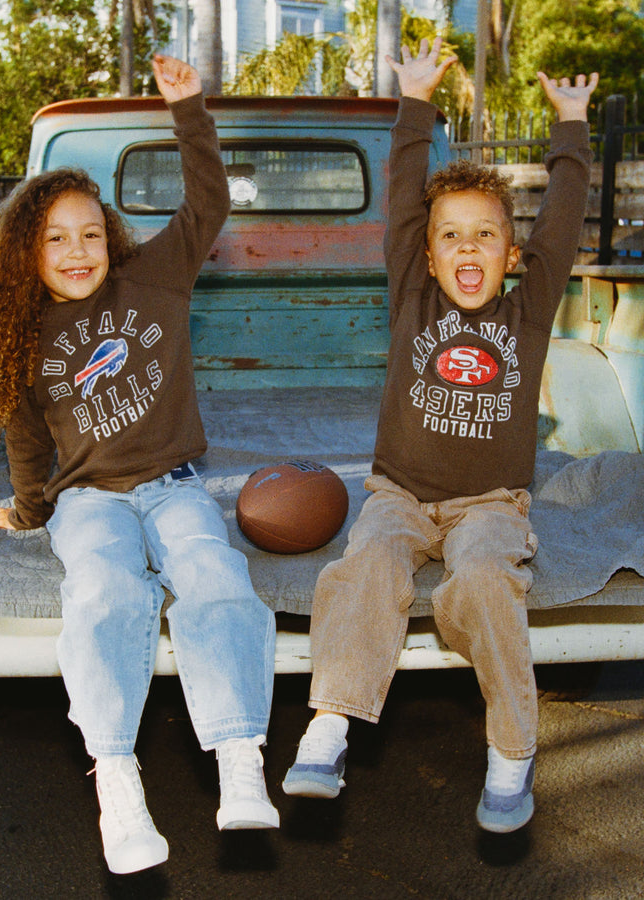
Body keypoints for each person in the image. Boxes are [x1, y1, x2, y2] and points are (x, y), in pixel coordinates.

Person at [0, 55, 279, 875]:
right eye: (56, 238)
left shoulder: (153, 279)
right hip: (88, 500)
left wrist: (188, 108)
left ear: (112, 238)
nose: (77, 250)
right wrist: (28, 512)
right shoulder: (24, 337)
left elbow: (209, 204)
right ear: (25, 255)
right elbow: (30, 448)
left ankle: (239, 757)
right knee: (102, 591)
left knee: (214, 573)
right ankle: (118, 781)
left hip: (174, 487)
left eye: (91, 233)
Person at [283, 38, 598, 834]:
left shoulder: (527, 312)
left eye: (485, 235)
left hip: (490, 503)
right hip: (399, 494)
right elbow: (400, 198)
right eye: (450, 235)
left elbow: (562, 222)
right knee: (364, 569)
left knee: (486, 579)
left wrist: (571, 125)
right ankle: (331, 724)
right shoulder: (413, 299)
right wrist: (415, 102)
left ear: (512, 255)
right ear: (426, 254)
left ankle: (512, 751)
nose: (467, 247)